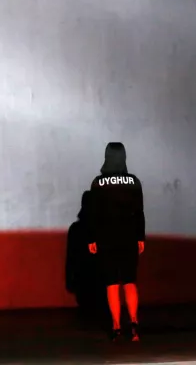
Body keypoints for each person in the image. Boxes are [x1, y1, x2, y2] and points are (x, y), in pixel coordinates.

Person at [87, 142, 146, 342]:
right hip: (129, 237)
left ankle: (116, 326)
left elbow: (93, 214)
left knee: (111, 283)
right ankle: (135, 324)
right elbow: (139, 212)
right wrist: (140, 237)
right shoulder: (134, 182)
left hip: (106, 238)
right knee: (130, 282)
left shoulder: (98, 183)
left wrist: (92, 238)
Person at [66, 191, 107, 325]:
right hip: (99, 278)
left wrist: (69, 280)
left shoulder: (75, 229)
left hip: (82, 279)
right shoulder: (102, 228)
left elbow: (70, 257)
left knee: (86, 316)